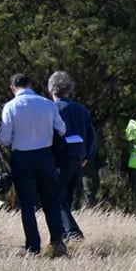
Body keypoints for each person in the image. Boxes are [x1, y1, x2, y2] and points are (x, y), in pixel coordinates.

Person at [0, 73, 67, 257]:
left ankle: (33, 246)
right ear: (30, 84)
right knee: (51, 200)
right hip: (45, 155)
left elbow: (4, 139)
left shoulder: (10, 107)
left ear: (13, 88)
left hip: (21, 157)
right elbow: (62, 129)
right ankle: (57, 242)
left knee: (27, 203)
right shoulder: (47, 103)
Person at [48, 71, 95, 241]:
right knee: (66, 200)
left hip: (60, 158)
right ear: (70, 90)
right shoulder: (81, 109)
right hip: (78, 157)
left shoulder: (52, 108)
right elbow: (91, 134)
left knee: (56, 199)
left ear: (51, 90)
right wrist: (87, 156)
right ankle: (63, 235)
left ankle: (73, 232)